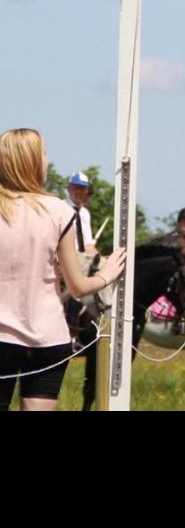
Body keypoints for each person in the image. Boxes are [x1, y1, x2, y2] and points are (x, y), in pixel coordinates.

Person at [0, 129, 126, 412]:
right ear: (30, 161)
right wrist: (106, 273)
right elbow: (78, 286)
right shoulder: (58, 211)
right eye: (44, 153)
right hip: (46, 337)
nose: (48, 159)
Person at [66, 171, 97, 256]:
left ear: (87, 190)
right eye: (76, 188)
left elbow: (88, 245)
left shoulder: (85, 213)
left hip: (82, 261)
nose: (79, 192)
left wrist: (101, 259)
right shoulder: (60, 208)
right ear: (68, 188)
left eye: (83, 188)